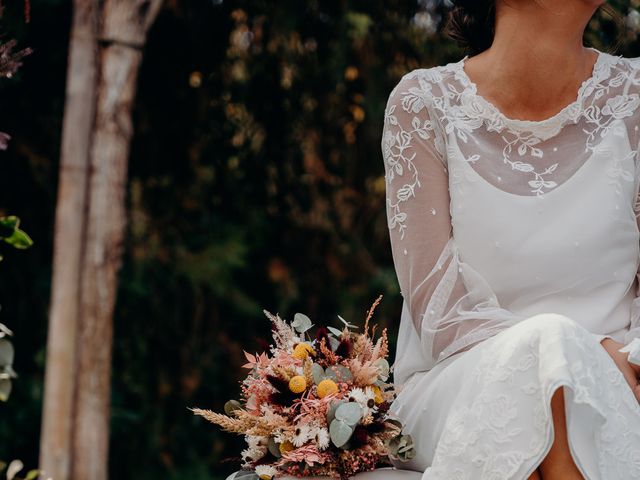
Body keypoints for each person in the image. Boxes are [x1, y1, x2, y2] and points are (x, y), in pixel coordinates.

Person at [381, 1, 640, 479]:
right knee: (552, 351)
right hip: (457, 382)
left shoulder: (636, 98)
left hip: (621, 375)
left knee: (564, 373)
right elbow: (438, 310)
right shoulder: (423, 104)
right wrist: (574, 351)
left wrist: (613, 360)